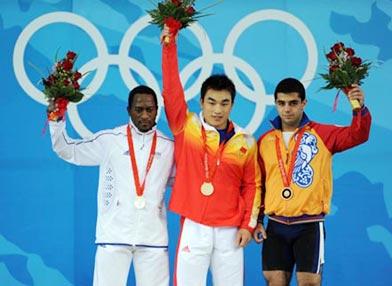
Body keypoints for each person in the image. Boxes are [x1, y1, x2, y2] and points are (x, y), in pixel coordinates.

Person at [160, 27, 261, 286]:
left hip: (230, 229)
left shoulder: (246, 142)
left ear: (232, 104)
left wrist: (247, 226)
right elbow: (171, 90)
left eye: (224, 103)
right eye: (212, 102)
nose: (218, 109)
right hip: (195, 226)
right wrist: (169, 45)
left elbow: (252, 186)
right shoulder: (186, 125)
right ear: (201, 102)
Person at [49, 85, 174, 286]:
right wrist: (56, 120)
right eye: (138, 109)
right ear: (128, 110)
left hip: (153, 239)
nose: (144, 115)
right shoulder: (109, 140)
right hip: (113, 235)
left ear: (157, 110)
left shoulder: (169, 146)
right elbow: (67, 150)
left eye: (150, 110)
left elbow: (184, 181)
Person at [253, 78, 372, 286]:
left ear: (304, 103)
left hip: (308, 225)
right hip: (276, 225)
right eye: (281, 103)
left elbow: (358, 134)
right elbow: (259, 185)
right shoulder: (265, 141)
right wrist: (257, 220)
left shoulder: (323, 134)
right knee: (274, 282)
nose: (287, 109)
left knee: (309, 282)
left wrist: (358, 107)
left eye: (293, 103)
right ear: (276, 104)